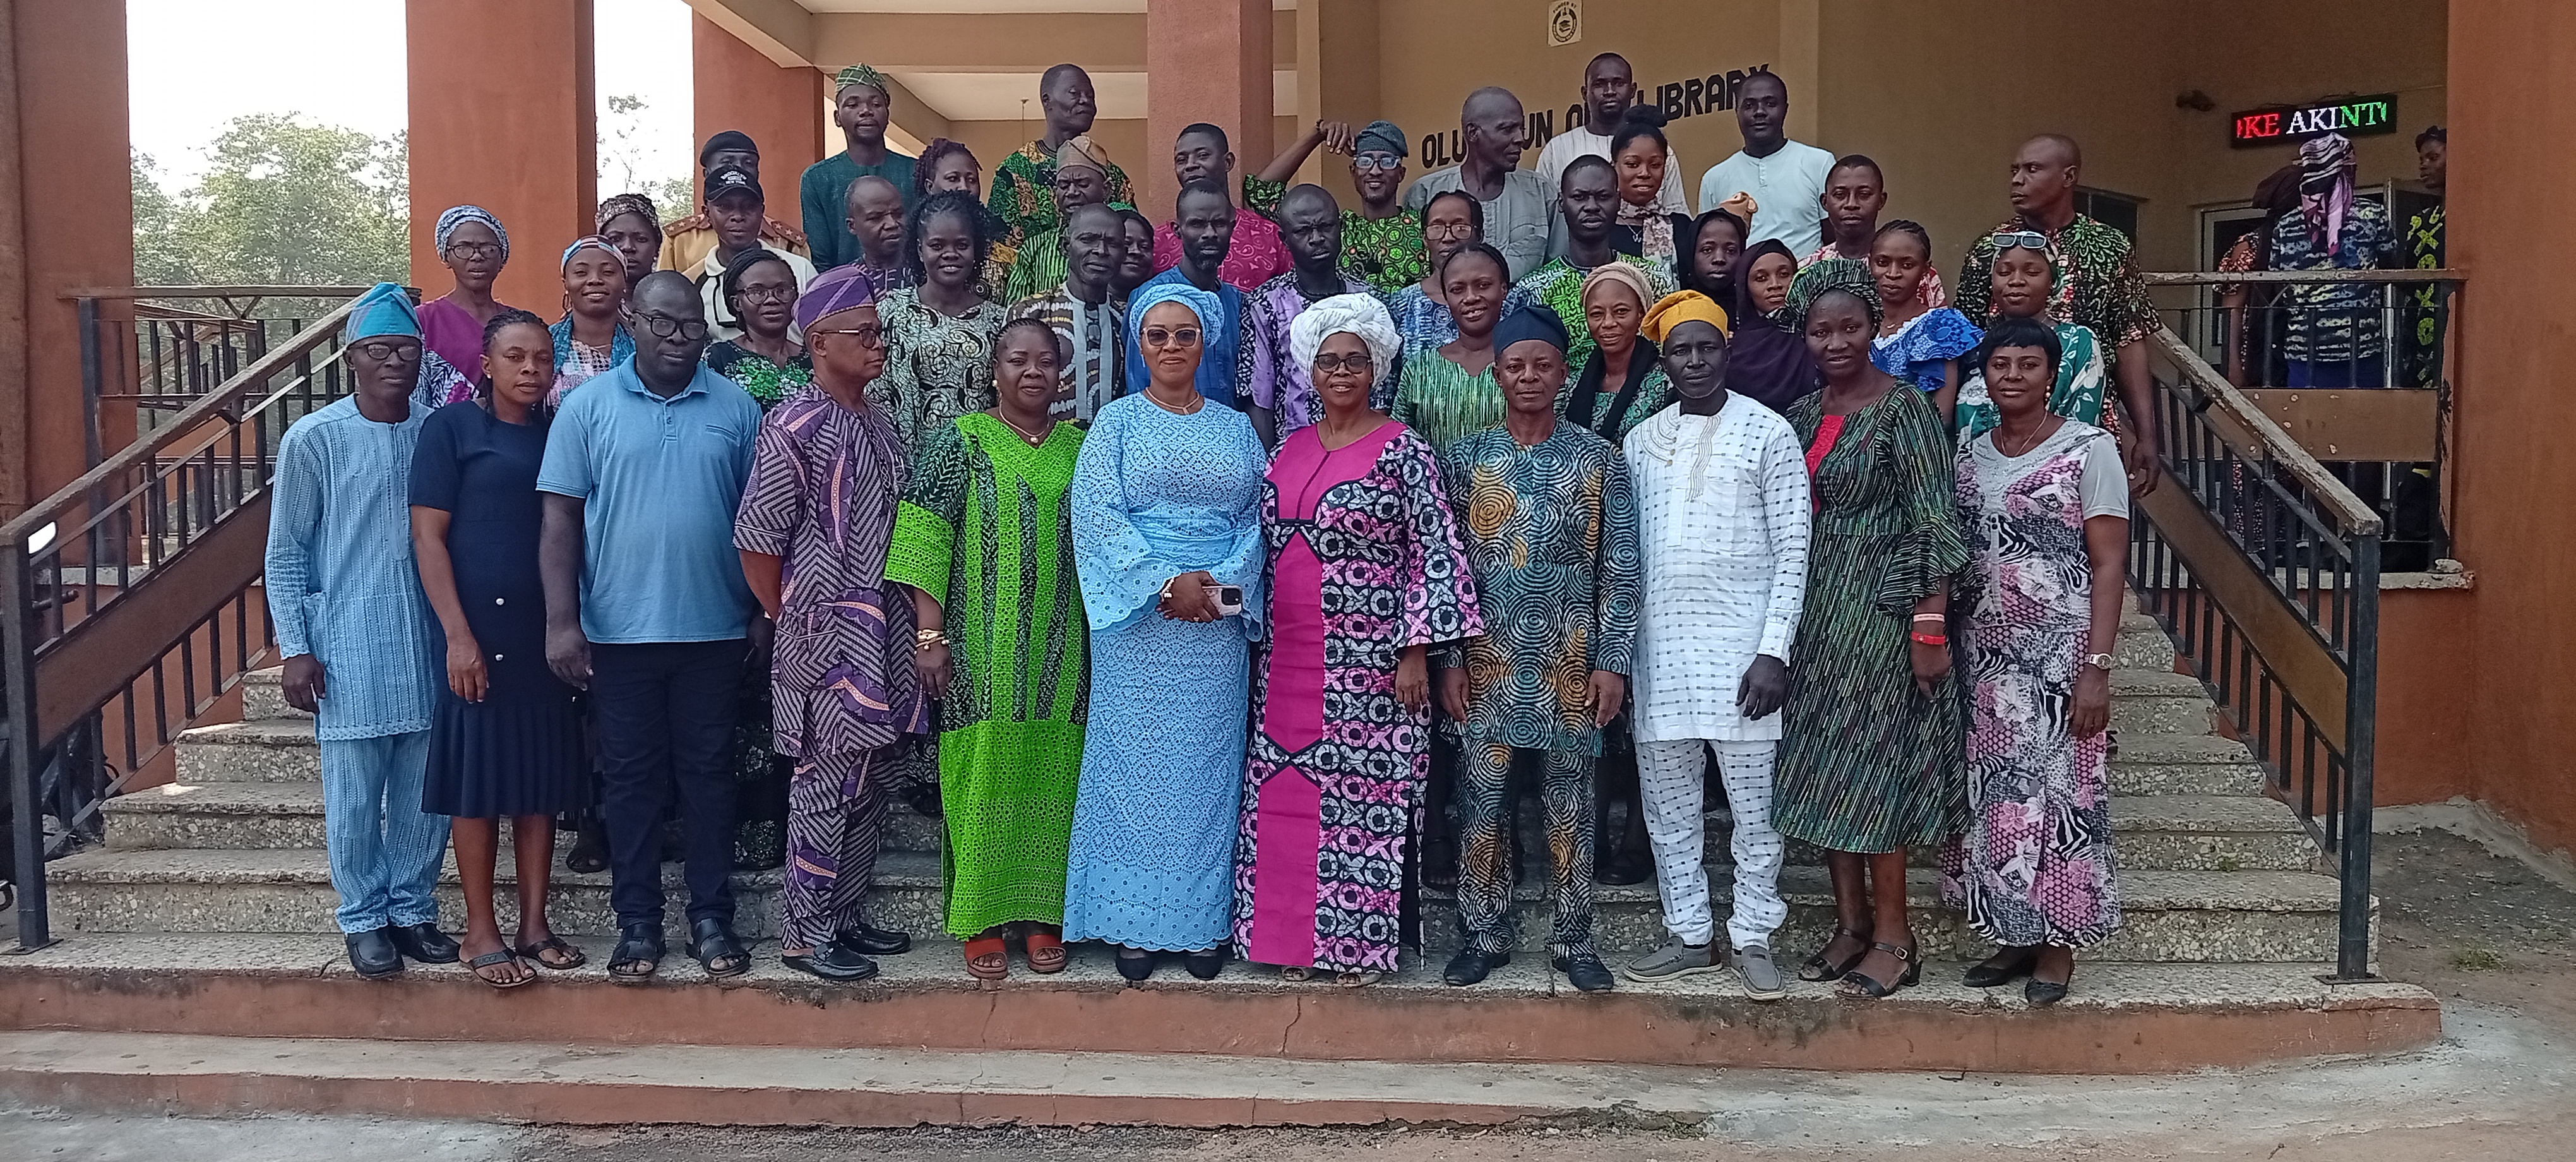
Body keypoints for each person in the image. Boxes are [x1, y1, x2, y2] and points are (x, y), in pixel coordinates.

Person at [1236, 294, 1484, 986]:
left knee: (1362, 806)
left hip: (1370, 663)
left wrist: (1416, 651)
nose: (1342, 371)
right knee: (1285, 797)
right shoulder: (1287, 447)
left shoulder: (1404, 448)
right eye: (1328, 361)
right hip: (1286, 659)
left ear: (1375, 367)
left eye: (1355, 360)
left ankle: (1354, 949)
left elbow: (1434, 548)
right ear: (1309, 374)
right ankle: (1289, 942)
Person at [537, 272, 765, 984]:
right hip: (618, 633)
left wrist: (763, 610)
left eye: (691, 326)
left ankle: (709, 916)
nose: (677, 338)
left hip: (717, 631)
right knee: (632, 783)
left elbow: (763, 522)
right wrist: (562, 622)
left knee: (708, 778)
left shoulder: (735, 407)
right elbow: (558, 520)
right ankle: (637, 924)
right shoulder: (586, 408)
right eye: (663, 324)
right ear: (631, 321)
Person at [1773, 261, 1966, 1000]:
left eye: (1851, 326)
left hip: (1880, 614)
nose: (1836, 341)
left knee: (1875, 774)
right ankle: (1849, 925)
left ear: (1872, 329)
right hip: (1814, 617)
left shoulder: (1904, 409)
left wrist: (1928, 624)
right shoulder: (1796, 415)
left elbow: (1933, 520)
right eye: (1821, 330)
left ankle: (1896, 935)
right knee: (1826, 770)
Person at [1066, 282, 1269, 983]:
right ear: (1139, 345)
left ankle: (1199, 923)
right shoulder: (1115, 423)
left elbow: (1256, 521)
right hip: (1138, 622)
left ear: (1205, 341)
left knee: (1205, 773)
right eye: (1159, 335)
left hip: (1212, 623)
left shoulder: (1237, 427)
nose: (1173, 346)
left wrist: (1217, 588)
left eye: (1185, 334)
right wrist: (1163, 581)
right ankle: (1132, 923)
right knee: (1134, 767)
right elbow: (1095, 515)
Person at [732, 265, 931, 981]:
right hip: (826, 636)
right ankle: (803, 933)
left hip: (886, 629)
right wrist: (793, 611)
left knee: (876, 776)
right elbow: (758, 540)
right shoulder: (794, 427)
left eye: (881, 333)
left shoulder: (877, 420)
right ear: (820, 342)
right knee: (826, 780)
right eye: (865, 334)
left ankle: (845, 914)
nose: (879, 346)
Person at [1436, 304, 1640, 994]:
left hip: (1570, 664)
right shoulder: (1465, 459)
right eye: (1516, 365)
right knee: (1482, 801)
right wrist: (1450, 659)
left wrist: (1612, 661)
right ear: (1497, 376)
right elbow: (1446, 569)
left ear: (1561, 373)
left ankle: (1574, 938)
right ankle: (1481, 933)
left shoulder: (1600, 460)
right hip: (1485, 663)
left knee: (1570, 805)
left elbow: (1620, 569)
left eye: (1542, 365)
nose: (1529, 376)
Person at [1618, 290, 1810, 1000]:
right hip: (1660, 655)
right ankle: (1690, 934)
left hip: (1743, 656)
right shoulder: (1641, 442)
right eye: (1680, 350)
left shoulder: (1768, 433)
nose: (1694, 361)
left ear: (1728, 351)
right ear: (1662, 361)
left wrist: (1774, 651)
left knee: (1755, 813)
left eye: (1707, 347)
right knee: (1669, 813)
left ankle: (1754, 933)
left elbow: (1794, 549)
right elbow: (1627, 554)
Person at [888, 319, 1088, 980]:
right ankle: (979, 918)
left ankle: (1040, 915)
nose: (1033, 371)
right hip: (978, 645)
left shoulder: (1081, 445)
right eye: (1017, 359)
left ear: (1062, 373)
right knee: (980, 770)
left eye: (1046, 361)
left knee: (1055, 773)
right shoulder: (961, 442)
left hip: (1063, 650)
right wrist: (929, 634)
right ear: (994, 370)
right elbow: (922, 537)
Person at [266, 283, 455, 979]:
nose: (394, 361)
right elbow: (285, 550)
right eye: (379, 349)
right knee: (352, 795)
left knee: (422, 791)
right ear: (352, 358)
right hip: (348, 641)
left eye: (406, 348)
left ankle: (411, 909)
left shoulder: (439, 429)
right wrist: (296, 646)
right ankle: (363, 918)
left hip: (430, 641)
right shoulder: (313, 439)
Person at [1944, 314, 2129, 1007]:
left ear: (2052, 375)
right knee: (1997, 799)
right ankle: (2014, 933)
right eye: (2001, 364)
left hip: (2060, 656)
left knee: (2061, 798)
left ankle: (2058, 946)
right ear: (1984, 376)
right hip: (1984, 658)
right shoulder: (1970, 453)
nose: (2013, 375)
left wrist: (2098, 667)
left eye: (2028, 364)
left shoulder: (2091, 450)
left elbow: (2110, 564)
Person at [411, 308, 589, 988]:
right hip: (476, 632)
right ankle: (479, 929)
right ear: (485, 364)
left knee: (539, 784)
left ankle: (535, 923)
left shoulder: (559, 433)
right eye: (515, 357)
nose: (530, 370)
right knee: (479, 783)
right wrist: (458, 635)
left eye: (542, 358)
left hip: (545, 630)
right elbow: (428, 539)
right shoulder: (451, 430)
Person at [1954, 135, 2159, 491]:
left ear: (2069, 176)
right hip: (1998, 426)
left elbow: (2128, 339)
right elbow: (1965, 339)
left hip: (2087, 420)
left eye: (2032, 169)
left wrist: (2147, 434)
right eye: (2015, 170)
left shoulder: (2109, 246)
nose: (2018, 180)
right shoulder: (1990, 248)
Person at [871, 191, 1007, 451]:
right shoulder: (891, 311)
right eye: (937, 246)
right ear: (920, 251)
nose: (950, 254)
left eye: (962, 245)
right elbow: (877, 392)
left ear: (976, 249)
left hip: (978, 461)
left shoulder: (998, 321)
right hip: (908, 462)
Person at [1244, 184, 1374, 446]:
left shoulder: (1369, 301)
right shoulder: (1263, 304)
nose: (1316, 238)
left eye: (1325, 227)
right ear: (1284, 239)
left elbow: (1381, 389)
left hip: (1361, 451)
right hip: (1293, 452)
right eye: (1303, 231)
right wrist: (1274, 468)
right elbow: (1260, 397)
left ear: (1341, 228)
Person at [1519, 158, 1676, 373]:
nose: (1591, 207)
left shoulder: (1652, 278)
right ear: (1562, 203)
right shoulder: (1533, 290)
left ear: (1619, 201)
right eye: (1579, 197)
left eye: (1603, 197)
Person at [2269, 133, 2400, 388]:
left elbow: (2278, 285)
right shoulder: (2371, 215)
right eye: (2352, 166)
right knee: (2361, 424)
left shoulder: (2286, 225)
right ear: (2346, 170)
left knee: (2303, 426)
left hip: (2303, 350)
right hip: (2360, 350)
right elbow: (2391, 270)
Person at [1955, 236, 2107, 440]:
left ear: (2053, 282)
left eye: (2032, 272)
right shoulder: (1973, 345)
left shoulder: (2077, 343)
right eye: (2004, 272)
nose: (2016, 280)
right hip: (1973, 467)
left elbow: (2079, 429)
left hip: (2055, 467)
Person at [1249, 119, 1428, 294]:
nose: (1375, 171)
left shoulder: (1424, 228)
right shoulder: (1338, 231)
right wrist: (1318, 134)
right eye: (1365, 161)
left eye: (1387, 161)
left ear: (1401, 174)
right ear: (1353, 172)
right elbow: (1260, 193)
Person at [1404, 87, 1556, 279]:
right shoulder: (1424, 194)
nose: (1521, 139)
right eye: (1507, 129)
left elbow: (1558, 271)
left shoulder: (1541, 193)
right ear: (1473, 133)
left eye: (1521, 129)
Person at [1124, 180, 1250, 408]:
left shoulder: (1239, 302)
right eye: (1197, 224)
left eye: (1219, 223)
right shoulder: (1150, 299)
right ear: (1177, 230)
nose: (1209, 233)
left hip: (1228, 436)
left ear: (1232, 227)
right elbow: (1138, 387)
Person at [989, 64, 1136, 249]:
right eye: (1075, 94)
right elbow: (1000, 252)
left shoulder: (1112, 175)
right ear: (1047, 100)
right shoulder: (1014, 172)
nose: (1086, 101)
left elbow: (1131, 242)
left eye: (1090, 96)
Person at [1010, 202, 1130, 424]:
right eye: (1088, 240)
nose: (1101, 251)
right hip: (1042, 450)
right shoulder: (1030, 313)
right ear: (1066, 247)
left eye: (1112, 243)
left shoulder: (1126, 320)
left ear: (1124, 253)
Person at [1393, 243, 1513, 457]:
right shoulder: (1420, 368)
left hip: (1511, 490)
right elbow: (1399, 444)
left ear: (1504, 289)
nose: (1470, 297)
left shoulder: (1524, 366)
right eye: (1458, 290)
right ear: (1446, 297)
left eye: (1483, 285)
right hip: (1432, 489)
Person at [1696, 71, 1835, 256]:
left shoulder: (1819, 163)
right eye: (1749, 105)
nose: (1759, 112)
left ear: (1785, 109)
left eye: (1770, 104)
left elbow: (1834, 237)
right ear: (1737, 112)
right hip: (1742, 284)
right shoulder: (1714, 178)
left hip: (1809, 281)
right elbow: (1709, 247)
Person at [1537, 53, 1690, 219]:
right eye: (1599, 84)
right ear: (1585, 93)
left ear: (1633, 90)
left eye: (1618, 83)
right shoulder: (1557, 149)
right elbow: (1543, 215)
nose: (1609, 91)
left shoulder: (1659, 149)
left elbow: (1676, 213)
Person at [1388, 191, 1534, 361]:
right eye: (1437, 228)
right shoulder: (1401, 305)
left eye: (1460, 228)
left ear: (1480, 236)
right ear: (1425, 239)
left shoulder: (1517, 300)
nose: (1448, 237)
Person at [685, 165, 820, 344]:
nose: (738, 216)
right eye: (725, 207)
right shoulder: (693, 283)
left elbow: (822, 333)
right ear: (707, 213)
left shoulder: (800, 269)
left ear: (762, 212)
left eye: (749, 207)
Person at [802, 64, 919, 271]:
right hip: (845, 293)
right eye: (853, 105)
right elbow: (819, 259)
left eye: (875, 104)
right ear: (837, 118)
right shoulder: (818, 179)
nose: (866, 111)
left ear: (887, 115)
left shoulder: (915, 171)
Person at [1152, 123, 1291, 291]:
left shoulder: (1270, 236)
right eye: (1181, 160)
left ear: (1228, 162)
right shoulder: (1156, 242)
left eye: (1202, 156)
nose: (1190, 165)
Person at [1870, 222, 1980, 425]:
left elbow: (1941, 417)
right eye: (1883, 262)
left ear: (1925, 269)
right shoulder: (1857, 325)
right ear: (1870, 264)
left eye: (1907, 265)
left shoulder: (1942, 327)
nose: (1893, 274)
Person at [1806, 156, 1945, 309]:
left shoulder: (1916, 272)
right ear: (1825, 202)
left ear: (1881, 200)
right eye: (1840, 195)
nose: (1851, 204)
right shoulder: (1808, 271)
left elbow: (1940, 328)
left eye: (1864, 195)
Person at [662, 130, 810, 273]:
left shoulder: (788, 244)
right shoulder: (680, 240)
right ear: (706, 174)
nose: (739, 169)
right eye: (727, 162)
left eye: (749, 163)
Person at [1566, 260, 1676, 444]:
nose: (1608, 322)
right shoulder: (1574, 384)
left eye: (1621, 312)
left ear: (1641, 314)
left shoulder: (1665, 383)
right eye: (1597, 314)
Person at [1003, 135, 1118, 302]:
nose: (1071, 192)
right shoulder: (1035, 248)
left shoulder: (1123, 244)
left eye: (1083, 184)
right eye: (1064, 186)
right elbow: (1016, 315)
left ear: (1106, 189)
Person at [418, 206, 517, 390]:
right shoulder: (423, 320)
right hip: (439, 419)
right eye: (463, 248)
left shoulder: (520, 322)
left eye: (488, 248)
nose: (477, 256)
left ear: (502, 257)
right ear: (446, 257)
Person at [703, 247, 814, 408]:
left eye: (782, 290)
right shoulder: (718, 359)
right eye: (757, 292)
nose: (772, 300)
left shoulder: (814, 360)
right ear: (737, 303)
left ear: (796, 296)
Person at [915, 139, 1019, 303]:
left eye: (972, 180)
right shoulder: (913, 251)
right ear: (929, 187)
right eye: (953, 179)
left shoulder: (1008, 257)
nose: (964, 187)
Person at [1724, 240, 1818, 412]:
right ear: (1746, 289)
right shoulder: (1734, 352)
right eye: (1761, 279)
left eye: (1784, 274)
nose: (1775, 285)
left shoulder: (1815, 334)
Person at [1606, 106, 1695, 272]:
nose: (1644, 173)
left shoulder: (1683, 228)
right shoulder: (1601, 229)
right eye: (1633, 164)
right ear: (1614, 167)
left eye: (1655, 165)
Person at [547, 237, 633, 410]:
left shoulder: (644, 345)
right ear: (566, 283)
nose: (595, 280)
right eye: (581, 273)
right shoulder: (545, 345)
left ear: (624, 282)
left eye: (608, 272)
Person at [2406, 125, 2447, 388]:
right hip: (2418, 333)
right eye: (2422, 160)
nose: (2424, 166)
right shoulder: (2420, 221)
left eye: (2433, 158)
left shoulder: (2472, 217)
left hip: (2451, 326)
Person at [839, 175, 913, 294]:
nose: (892, 224)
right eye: (876, 218)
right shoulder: (842, 284)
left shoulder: (928, 275)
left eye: (898, 214)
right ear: (852, 226)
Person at [597, 194, 665, 300]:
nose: (628, 247)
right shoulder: (586, 307)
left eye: (641, 239)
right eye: (615, 239)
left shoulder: (672, 302)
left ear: (657, 247)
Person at [1683, 208, 1749, 308]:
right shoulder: (1679, 311)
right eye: (1707, 250)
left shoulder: (1753, 310)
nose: (1719, 259)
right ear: (1691, 254)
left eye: (1730, 251)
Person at [1112, 209, 1159, 299]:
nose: (1136, 251)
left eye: (1144, 247)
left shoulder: (1163, 303)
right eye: (1126, 244)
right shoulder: (1083, 304)